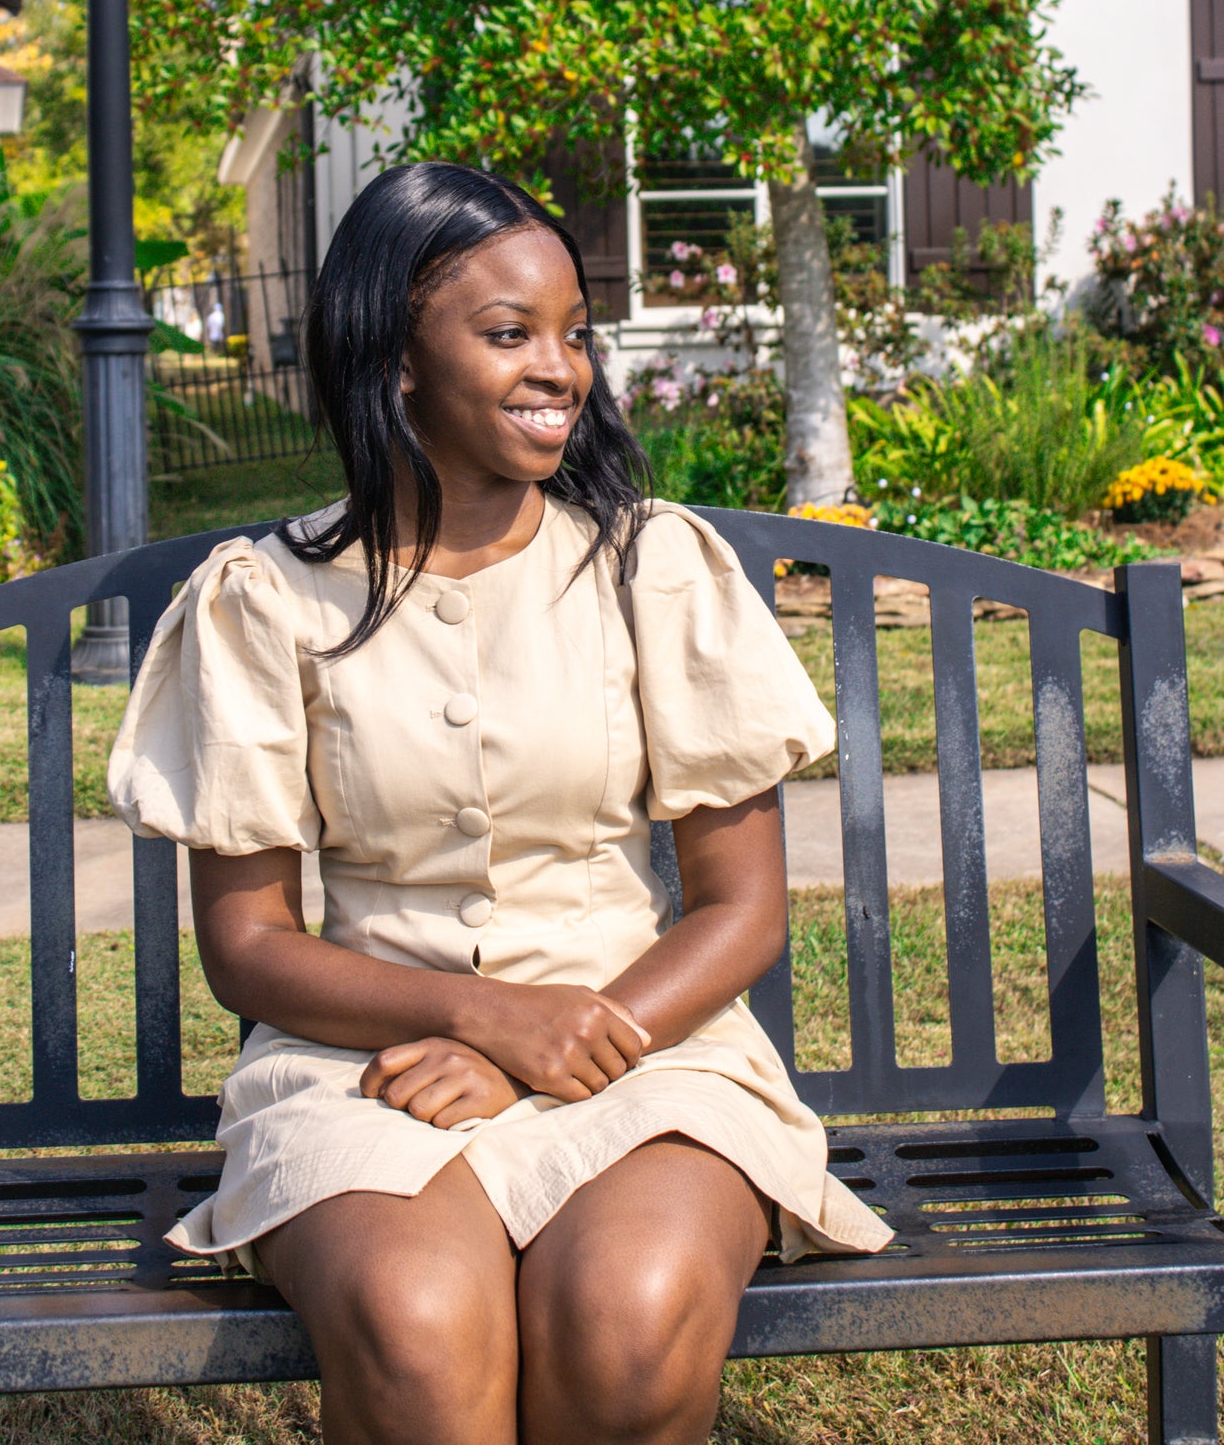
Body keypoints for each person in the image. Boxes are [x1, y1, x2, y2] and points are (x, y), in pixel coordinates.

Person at [109, 162, 889, 1445]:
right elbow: (247, 947)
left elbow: (741, 908)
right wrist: (474, 1015)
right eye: (509, 332)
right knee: (418, 1328)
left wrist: (540, 1037)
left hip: (650, 1048)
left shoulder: (652, 565)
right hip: (367, 1067)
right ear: (395, 359)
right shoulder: (266, 599)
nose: (561, 369)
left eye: (573, 334)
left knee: (627, 1315)